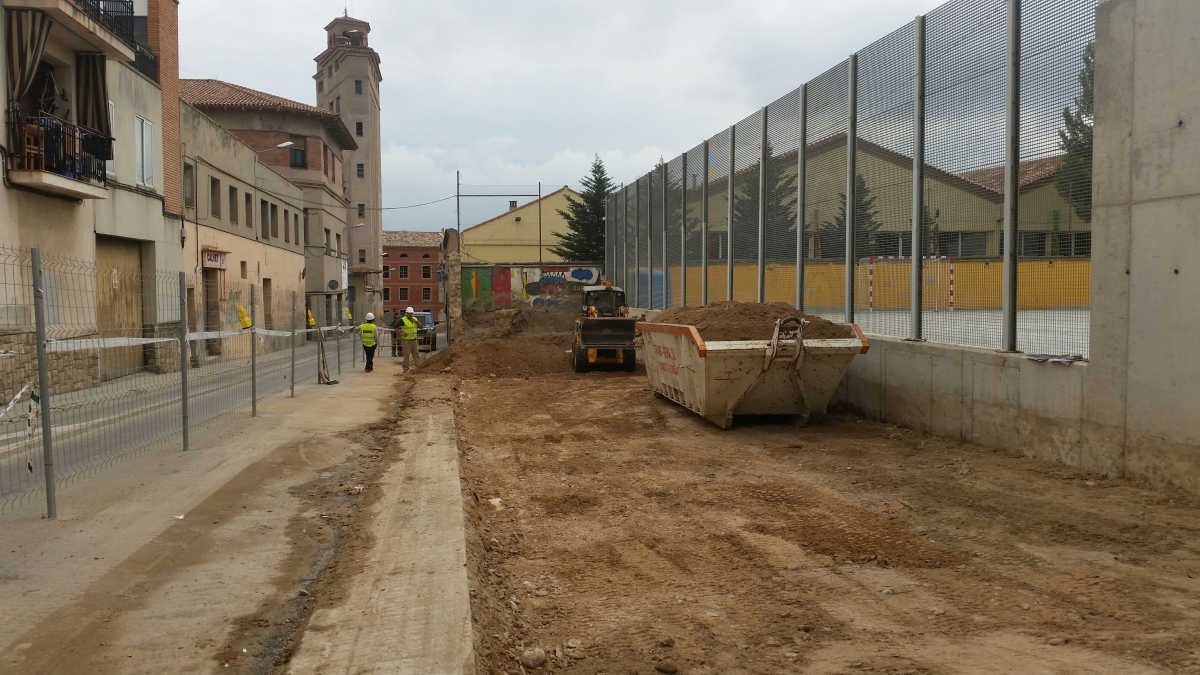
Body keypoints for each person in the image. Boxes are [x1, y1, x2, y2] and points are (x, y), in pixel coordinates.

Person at [400, 306, 420, 371]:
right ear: (407, 313)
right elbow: (395, 326)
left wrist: (416, 322)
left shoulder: (415, 319)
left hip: (414, 340)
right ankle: (405, 368)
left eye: (412, 313)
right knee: (406, 355)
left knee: (416, 354)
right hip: (406, 341)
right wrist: (400, 332)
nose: (411, 314)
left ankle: (418, 367)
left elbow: (421, 326)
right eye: (409, 313)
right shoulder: (403, 320)